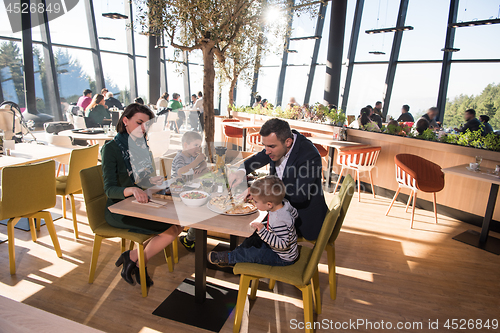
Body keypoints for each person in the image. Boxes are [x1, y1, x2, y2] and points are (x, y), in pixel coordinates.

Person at [101, 103, 183, 287]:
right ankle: (132, 258)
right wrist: (131, 190)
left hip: (139, 203)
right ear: (125, 121)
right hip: (119, 210)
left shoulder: (141, 146)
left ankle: (136, 261)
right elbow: (109, 189)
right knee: (170, 232)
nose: (143, 128)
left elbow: (141, 179)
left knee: (179, 224)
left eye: (146, 124)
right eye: (139, 122)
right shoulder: (111, 148)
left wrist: (150, 180)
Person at [230, 118, 327, 241]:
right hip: (279, 209)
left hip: (302, 218)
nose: (267, 151)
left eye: (271, 146)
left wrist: (258, 191)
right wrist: (240, 171)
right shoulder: (277, 145)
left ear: (288, 142)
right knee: (247, 223)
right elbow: (260, 157)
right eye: (265, 146)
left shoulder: (309, 156)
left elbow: (299, 196)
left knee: (252, 231)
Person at [208, 176, 298, 266]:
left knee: (253, 254)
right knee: (251, 239)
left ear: (269, 204)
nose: (254, 202)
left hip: (282, 257)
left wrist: (263, 232)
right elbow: (295, 214)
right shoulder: (284, 203)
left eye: (256, 201)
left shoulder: (279, 220)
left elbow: (283, 244)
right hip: (278, 248)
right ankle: (236, 256)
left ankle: (229, 257)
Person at [171, 131, 208, 251]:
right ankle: (189, 239)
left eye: (199, 145)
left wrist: (201, 165)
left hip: (190, 189)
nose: (198, 148)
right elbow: (180, 172)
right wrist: (197, 162)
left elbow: (204, 165)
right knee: (199, 213)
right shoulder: (179, 158)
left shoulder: (193, 156)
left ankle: (191, 237)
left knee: (203, 210)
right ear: (185, 145)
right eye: (196, 145)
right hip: (178, 192)